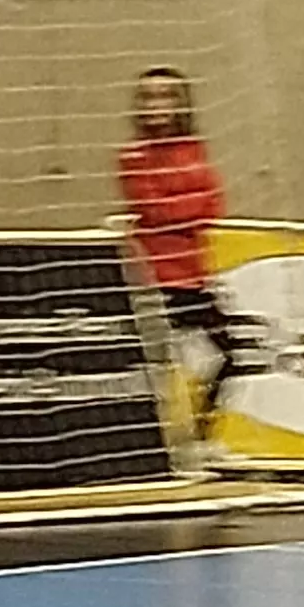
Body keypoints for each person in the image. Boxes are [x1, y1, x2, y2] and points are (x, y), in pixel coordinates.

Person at [116, 67, 227, 401]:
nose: (156, 104)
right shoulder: (133, 156)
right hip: (158, 278)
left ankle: (203, 425)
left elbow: (214, 204)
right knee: (166, 367)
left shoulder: (194, 149)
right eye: (148, 96)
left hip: (197, 275)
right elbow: (158, 211)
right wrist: (190, 206)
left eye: (166, 96)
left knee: (227, 357)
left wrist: (187, 207)